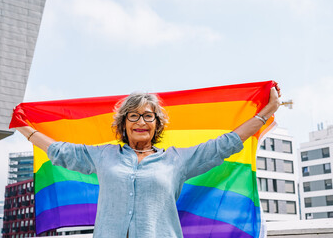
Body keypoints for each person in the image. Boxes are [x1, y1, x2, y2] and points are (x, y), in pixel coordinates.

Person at [15, 86, 281, 238]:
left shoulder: (178, 160)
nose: (141, 121)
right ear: (123, 125)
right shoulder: (103, 155)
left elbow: (225, 145)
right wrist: (23, 127)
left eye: (147, 116)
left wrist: (266, 112)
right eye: (133, 116)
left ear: (157, 125)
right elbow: (61, 151)